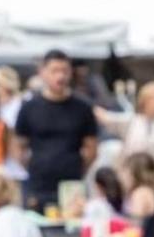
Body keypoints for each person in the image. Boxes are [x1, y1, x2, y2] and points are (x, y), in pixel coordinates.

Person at [15, 49, 98, 212]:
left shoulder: (83, 108)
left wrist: (79, 168)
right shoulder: (29, 107)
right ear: (43, 73)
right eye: (54, 71)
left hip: (71, 183)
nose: (60, 77)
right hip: (38, 185)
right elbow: (19, 146)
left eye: (65, 71)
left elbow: (91, 148)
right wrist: (33, 166)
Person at [97, 81, 154, 159]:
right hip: (131, 168)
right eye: (153, 100)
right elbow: (107, 118)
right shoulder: (132, 121)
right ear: (144, 101)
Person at [123, 152, 154, 237]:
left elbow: (134, 229)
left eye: (125, 172)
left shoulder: (140, 193)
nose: (123, 177)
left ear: (134, 174)